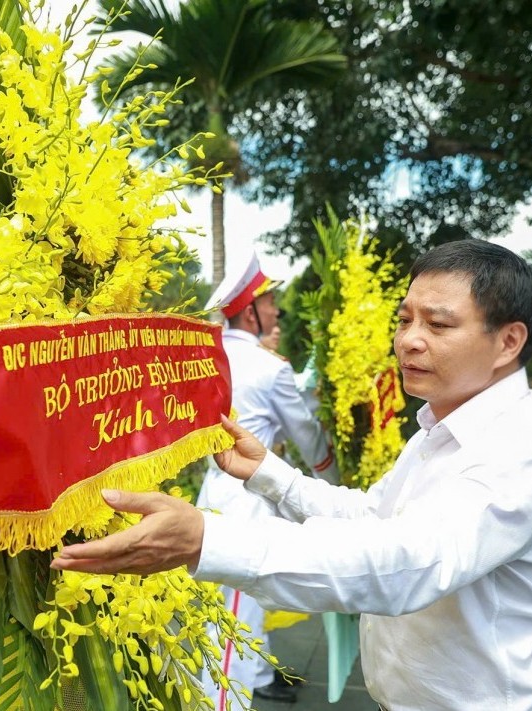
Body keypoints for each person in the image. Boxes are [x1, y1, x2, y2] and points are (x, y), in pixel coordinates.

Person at [53, 239, 532, 711]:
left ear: (508, 342)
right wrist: (270, 475)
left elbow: (407, 563)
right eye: (404, 320)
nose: (409, 341)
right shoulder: (440, 428)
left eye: (439, 324)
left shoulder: (523, 448)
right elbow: (374, 517)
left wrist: (206, 540)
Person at [195, 251, 337, 708]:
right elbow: (308, 438)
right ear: (251, 310)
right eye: (271, 301)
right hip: (249, 502)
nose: (277, 309)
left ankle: (257, 677)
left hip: (213, 492)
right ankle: (225, 700)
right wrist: (332, 477)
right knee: (235, 612)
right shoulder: (269, 367)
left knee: (235, 605)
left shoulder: (209, 354)